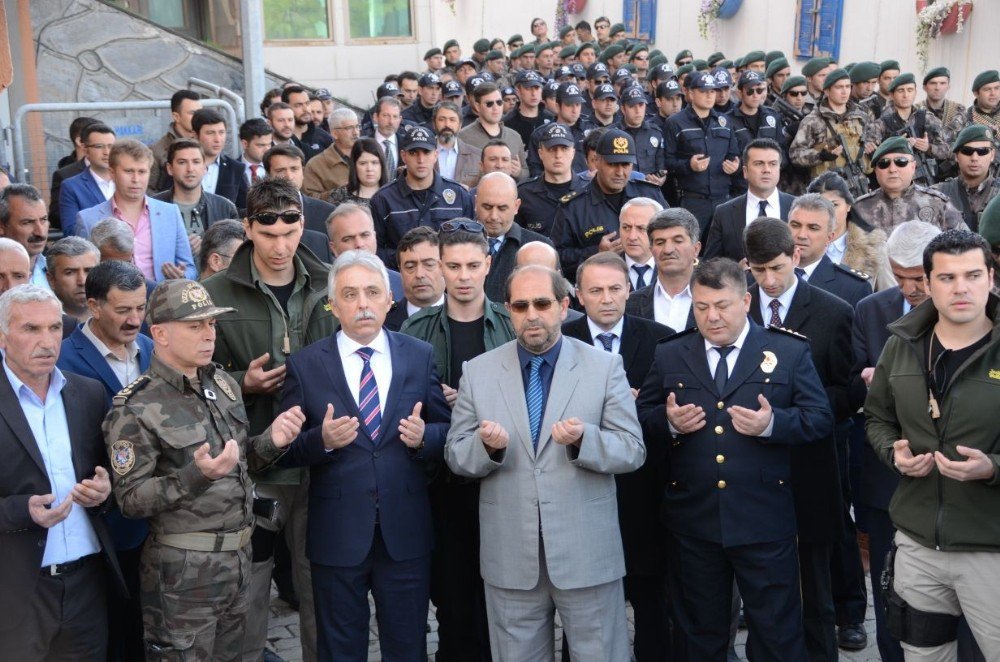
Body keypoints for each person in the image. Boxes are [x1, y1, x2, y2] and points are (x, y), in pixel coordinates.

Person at [446, 263, 645, 661]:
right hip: (510, 555)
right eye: (520, 306)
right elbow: (455, 453)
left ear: (564, 305)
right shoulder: (479, 372)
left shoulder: (604, 367)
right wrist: (486, 449)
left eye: (542, 303)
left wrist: (585, 440)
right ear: (507, 310)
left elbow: (632, 449)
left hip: (586, 551)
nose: (531, 314)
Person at [636, 256, 832, 660]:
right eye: (702, 307)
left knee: (776, 633)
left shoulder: (787, 351)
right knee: (698, 635)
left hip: (763, 517)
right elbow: (641, 417)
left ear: (746, 301)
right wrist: (668, 422)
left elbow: (820, 419)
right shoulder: (671, 353)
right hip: (694, 519)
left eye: (722, 306)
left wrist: (773, 424)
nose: (712, 317)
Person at [103, 278, 305, 661]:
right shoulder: (135, 407)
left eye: (211, 323)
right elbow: (130, 500)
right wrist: (197, 476)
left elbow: (239, 462)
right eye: (195, 326)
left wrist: (272, 441)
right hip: (183, 575)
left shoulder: (223, 383)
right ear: (159, 333)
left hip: (238, 559)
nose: (208, 334)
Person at [276, 249, 450, 660]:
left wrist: (426, 437)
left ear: (390, 299)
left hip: (404, 532)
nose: (363, 304)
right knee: (340, 648)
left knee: (407, 645)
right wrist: (323, 441)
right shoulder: (304, 365)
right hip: (337, 533)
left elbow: (448, 431)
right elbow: (284, 451)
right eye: (350, 295)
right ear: (332, 304)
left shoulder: (418, 355)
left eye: (373, 292)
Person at [202, 178, 337, 662]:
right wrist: (243, 383)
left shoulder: (330, 283)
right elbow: (192, 380)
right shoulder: (213, 293)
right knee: (249, 593)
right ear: (247, 228)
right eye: (268, 234)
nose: (281, 247)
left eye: (291, 232)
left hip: (323, 459)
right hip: (253, 464)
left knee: (322, 588)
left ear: (303, 224)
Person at [865, 229, 1000, 659]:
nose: (961, 288)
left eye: (973, 275)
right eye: (946, 277)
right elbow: (878, 417)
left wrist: (993, 467)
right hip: (918, 544)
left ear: (991, 277)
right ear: (927, 282)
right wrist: (893, 453)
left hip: (990, 546)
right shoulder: (900, 346)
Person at [401, 222, 514, 661]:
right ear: (441, 267)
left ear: (488, 265)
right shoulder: (416, 327)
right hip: (439, 481)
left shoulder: (508, 323)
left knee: (499, 596)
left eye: (472, 265)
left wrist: (474, 399)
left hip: (501, 478)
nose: (463, 275)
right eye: (453, 266)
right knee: (450, 597)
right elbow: (402, 401)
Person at [0, 284, 124, 660]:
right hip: (17, 590)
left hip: (86, 582)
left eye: (55, 328)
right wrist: (23, 511)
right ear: (2, 336)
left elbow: (111, 475)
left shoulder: (87, 394)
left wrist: (106, 490)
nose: (47, 341)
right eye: (31, 329)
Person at [562, 252, 675, 660]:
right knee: (581, 604)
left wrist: (644, 409)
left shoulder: (661, 338)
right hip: (582, 484)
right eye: (596, 290)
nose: (607, 299)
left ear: (629, 289)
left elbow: (671, 407)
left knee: (651, 598)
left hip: (645, 489)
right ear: (578, 295)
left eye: (615, 288)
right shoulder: (563, 339)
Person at [850, 220, 941, 662]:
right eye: (899, 276)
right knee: (889, 592)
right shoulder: (870, 310)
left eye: (919, 278)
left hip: (954, 481)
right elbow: (848, 382)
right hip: (887, 479)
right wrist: (867, 383)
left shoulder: (971, 310)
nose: (910, 289)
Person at [56, 260, 152, 662]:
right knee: (117, 627)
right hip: (103, 521)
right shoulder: (63, 362)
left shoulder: (150, 347)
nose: (135, 320)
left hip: (153, 515)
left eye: (141, 308)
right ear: (94, 307)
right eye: (123, 310)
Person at [75, 139, 198, 282]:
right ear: (112, 173)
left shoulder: (170, 213)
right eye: (128, 171)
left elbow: (190, 268)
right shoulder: (88, 219)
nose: (136, 179)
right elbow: (84, 273)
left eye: (142, 172)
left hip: (163, 300)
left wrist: (182, 276)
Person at [551, 129, 666, 280]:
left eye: (625, 165)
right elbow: (556, 257)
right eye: (613, 164)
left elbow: (670, 233)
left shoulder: (650, 194)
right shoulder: (573, 207)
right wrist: (595, 253)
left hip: (651, 283)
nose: (620, 172)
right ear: (596, 161)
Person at [370, 125, 474, 269]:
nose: (421, 159)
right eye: (414, 153)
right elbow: (376, 249)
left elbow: (470, 243)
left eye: (426, 152)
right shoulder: (383, 199)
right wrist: (408, 259)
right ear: (403, 156)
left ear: (436, 155)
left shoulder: (458, 195)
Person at [663, 71, 740, 231]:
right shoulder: (675, 122)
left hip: (722, 198)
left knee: (722, 250)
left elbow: (733, 154)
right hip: (692, 200)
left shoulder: (724, 121)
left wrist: (734, 165)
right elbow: (667, 162)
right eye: (704, 91)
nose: (709, 96)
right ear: (691, 93)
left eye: (712, 91)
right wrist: (688, 165)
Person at [703, 137, 796, 262]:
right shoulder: (724, 213)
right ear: (745, 171)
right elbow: (711, 264)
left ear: (779, 169)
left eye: (773, 164)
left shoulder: (796, 207)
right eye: (759, 164)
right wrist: (737, 272)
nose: (767, 170)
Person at [852, 136, 966, 234]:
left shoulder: (938, 204)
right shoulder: (859, 208)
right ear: (876, 171)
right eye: (884, 164)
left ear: (913, 167)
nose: (892, 169)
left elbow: (966, 246)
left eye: (901, 162)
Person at [789, 68, 871, 199]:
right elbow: (795, 154)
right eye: (839, 87)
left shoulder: (860, 117)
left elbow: (868, 146)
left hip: (859, 187)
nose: (845, 91)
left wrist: (871, 153)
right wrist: (821, 156)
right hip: (826, 191)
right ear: (827, 91)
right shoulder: (813, 120)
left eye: (847, 86)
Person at [152, 139, 240, 255]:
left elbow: (236, 254)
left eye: (196, 162)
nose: (190, 169)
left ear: (205, 168)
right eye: (182, 162)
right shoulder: (152, 207)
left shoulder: (225, 207)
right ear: (170, 168)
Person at [862, 74, 950, 186]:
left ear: (915, 93)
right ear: (892, 95)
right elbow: (872, 157)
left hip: (925, 182)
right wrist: (897, 145)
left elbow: (946, 151)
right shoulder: (881, 123)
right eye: (900, 91)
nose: (905, 95)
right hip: (894, 182)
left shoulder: (928, 118)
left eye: (910, 90)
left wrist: (928, 147)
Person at [789, 193, 874, 307]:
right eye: (795, 225)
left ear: (829, 237)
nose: (801, 235)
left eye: (813, 228)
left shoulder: (853, 287)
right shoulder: (762, 273)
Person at [477, 172, 551, 302]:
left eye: (502, 208)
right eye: (487, 207)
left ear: (516, 206)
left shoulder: (540, 247)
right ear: (475, 203)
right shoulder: (455, 243)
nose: (494, 216)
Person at [625, 208, 699, 331]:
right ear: (651, 249)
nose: (668, 250)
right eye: (660, 242)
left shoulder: (716, 299)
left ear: (696, 249)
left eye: (677, 241)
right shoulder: (630, 303)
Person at [261, 144, 337, 260]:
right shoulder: (258, 214)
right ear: (268, 175)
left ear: (303, 172)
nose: (289, 176)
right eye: (280, 170)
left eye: (294, 169)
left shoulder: (327, 212)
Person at [324, 202, 404, 300]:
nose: (359, 244)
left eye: (365, 235)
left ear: (375, 237)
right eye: (348, 239)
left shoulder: (402, 284)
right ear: (333, 248)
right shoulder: (321, 290)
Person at [456, 83, 528, 186]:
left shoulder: (514, 136)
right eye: (489, 104)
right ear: (477, 106)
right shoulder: (462, 137)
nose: (495, 108)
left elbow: (526, 172)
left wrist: (519, 173)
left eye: (499, 102)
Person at [932, 124, 1000, 232]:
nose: (974, 158)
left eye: (982, 151)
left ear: (992, 155)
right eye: (967, 151)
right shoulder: (937, 195)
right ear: (956, 156)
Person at [516, 123, 579, 237]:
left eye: (564, 148)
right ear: (540, 153)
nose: (558, 155)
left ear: (573, 153)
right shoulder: (524, 194)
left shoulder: (589, 190)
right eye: (552, 149)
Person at [58, 122, 117, 237]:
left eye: (111, 146)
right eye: (99, 146)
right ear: (85, 150)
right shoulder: (71, 187)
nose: (106, 152)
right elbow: (71, 231)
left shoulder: (127, 181)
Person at [385, 227, 445, 332]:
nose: (419, 274)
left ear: (443, 267)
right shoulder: (383, 324)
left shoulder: (466, 316)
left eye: (429, 265)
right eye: (410, 267)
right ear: (400, 270)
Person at [150, 90, 202, 194]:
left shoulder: (205, 144)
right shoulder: (157, 151)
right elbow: (149, 189)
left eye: (200, 113)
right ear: (176, 117)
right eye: (192, 113)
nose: (198, 118)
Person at [303, 108, 362, 199]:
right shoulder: (316, 165)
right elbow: (309, 200)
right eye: (349, 128)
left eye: (357, 126)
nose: (356, 133)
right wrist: (340, 193)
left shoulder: (368, 156)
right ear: (334, 133)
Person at [1, 184, 52, 288]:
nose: (40, 232)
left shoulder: (57, 270)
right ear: (1, 226)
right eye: (27, 222)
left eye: (43, 220)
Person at [45, 236, 100, 324]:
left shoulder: (116, 317)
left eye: (89, 271)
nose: (82, 281)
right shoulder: (39, 321)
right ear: (51, 279)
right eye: (70, 272)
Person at [326, 137, 389, 208]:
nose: (369, 168)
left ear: (382, 165)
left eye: (374, 163)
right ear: (354, 166)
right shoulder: (339, 196)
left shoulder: (394, 195)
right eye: (363, 163)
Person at [618, 197, 660, 292]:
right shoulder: (606, 269)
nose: (632, 237)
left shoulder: (675, 268)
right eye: (626, 227)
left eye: (641, 229)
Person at [282, 85, 334, 162]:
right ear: (286, 107)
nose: (305, 109)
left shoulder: (325, 138)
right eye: (298, 105)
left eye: (307, 103)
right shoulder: (279, 138)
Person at [504, 70, 554, 148]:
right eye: (528, 88)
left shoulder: (551, 119)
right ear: (518, 91)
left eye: (537, 88)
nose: (533, 93)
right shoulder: (507, 122)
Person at [238, 117, 274, 187]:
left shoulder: (275, 168)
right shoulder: (231, 170)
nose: (267, 150)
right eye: (261, 145)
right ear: (245, 144)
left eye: (269, 144)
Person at [966, 70, 1000, 141]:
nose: (993, 93)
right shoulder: (966, 119)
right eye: (987, 89)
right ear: (976, 93)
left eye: (997, 88)